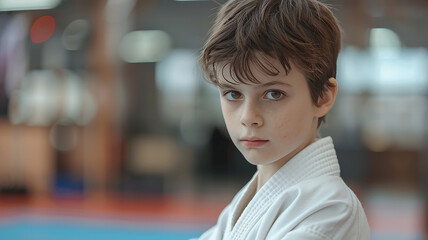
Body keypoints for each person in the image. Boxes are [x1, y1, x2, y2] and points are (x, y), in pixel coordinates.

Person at [194, 0, 370, 239]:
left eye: (273, 94)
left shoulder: (331, 210)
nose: (248, 118)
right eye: (233, 94)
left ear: (322, 97)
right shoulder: (248, 200)